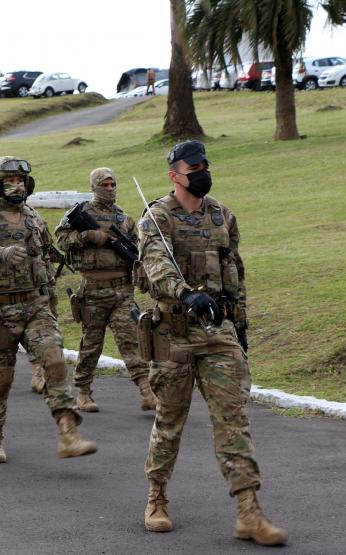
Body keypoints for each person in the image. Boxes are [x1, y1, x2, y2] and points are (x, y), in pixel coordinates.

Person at [137, 140, 286, 545]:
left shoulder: (222, 215)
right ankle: (157, 497)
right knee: (170, 421)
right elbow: (156, 267)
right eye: (194, 167)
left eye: (206, 164)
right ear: (174, 175)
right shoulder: (156, 217)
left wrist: (241, 327)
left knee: (233, 420)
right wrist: (185, 293)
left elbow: (234, 271)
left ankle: (249, 511)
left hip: (217, 333)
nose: (203, 171)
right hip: (174, 332)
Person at [0, 156, 96, 463]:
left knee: (55, 361)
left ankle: (68, 431)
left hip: (35, 305)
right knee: (3, 378)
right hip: (0, 309)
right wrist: (2, 252)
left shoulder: (35, 219)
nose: (16, 186)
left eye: (20, 181)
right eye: (10, 181)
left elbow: (47, 254)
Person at [54, 168, 156, 412]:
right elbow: (61, 239)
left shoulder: (124, 219)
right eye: (105, 185)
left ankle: (146, 391)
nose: (110, 189)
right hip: (93, 291)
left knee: (132, 340)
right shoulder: (80, 214)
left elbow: (137, 253)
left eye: (113, 184)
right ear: (94, 187)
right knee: (91, 344)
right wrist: (87, 236)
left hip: (122, 290)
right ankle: (83, 392)